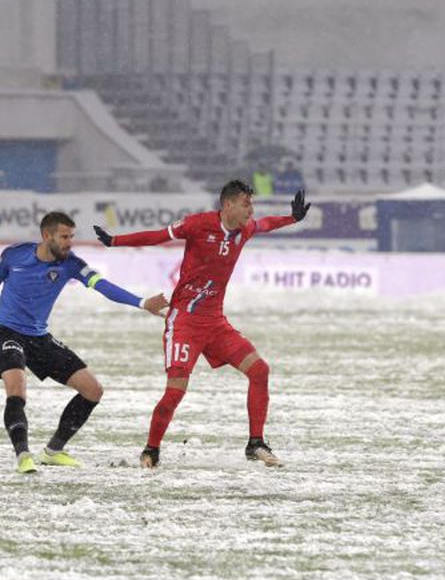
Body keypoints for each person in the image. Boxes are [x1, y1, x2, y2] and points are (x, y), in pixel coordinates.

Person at [94, 180, 309, 468]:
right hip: (184, 322)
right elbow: (158, 236)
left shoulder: (244, 230)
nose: (251, 210)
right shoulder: (198, 224)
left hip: (216, 323)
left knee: (259, 370)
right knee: (175, 391)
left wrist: (292, 218)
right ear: (228, 204)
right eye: (247, 203)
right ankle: (151, 450)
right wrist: (114, 241)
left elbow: (266, 224)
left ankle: (255, 443)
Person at [0, 211, 168, 473]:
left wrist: (142, 303)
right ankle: (23, 455)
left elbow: (103, 286)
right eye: (64, 237)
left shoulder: (71, 264)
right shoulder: (13, 256)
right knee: (16, 388)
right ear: (46, 236)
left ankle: (53, 451)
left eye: (71, 237)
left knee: (93, 390)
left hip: (40, 338)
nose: (69, 242)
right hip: (7, 332)